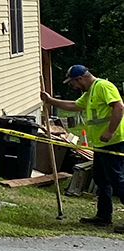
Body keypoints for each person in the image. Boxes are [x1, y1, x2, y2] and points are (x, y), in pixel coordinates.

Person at [41, 65, 124, 228]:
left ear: (80, 78)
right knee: (100, 178)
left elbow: (119, 106)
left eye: (73, 83)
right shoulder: (89, 92)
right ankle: (103, 216)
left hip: (113, 141)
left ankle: (105, 215)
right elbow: (74, 106)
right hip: (100, 144)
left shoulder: (103, 86)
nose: (73, 87)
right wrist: (50, 101)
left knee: (116, 179)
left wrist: (110, 131)